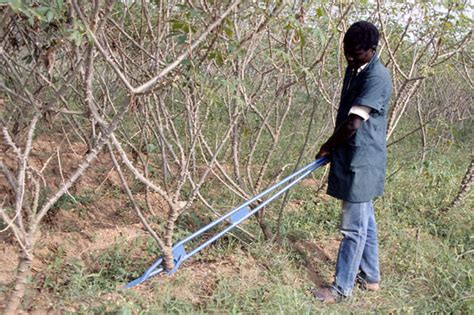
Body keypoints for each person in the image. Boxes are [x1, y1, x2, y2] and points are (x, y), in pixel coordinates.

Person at [312, 21, 392, 303]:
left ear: (372, 50)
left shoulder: (377, 77)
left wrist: (327, 147)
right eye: (346, 52)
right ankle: (371, 278)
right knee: (365, 221)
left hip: (362, 162)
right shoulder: (356, 67)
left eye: (356, 54)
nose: (349, 58)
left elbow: (354, 123)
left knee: (353, 229)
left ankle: (341, 289)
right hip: (353, 156)